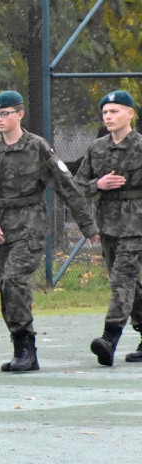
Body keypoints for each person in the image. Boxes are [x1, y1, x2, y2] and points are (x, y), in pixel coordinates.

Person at [0, 91, 98, 372]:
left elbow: (67, 186)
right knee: (6, 288)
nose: (0, 119)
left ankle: (27, 349)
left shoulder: (37, 147)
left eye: (5, 113)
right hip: (1, 227)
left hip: (29, 225)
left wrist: (87, 225)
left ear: (20, 114)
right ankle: (20, 347)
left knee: (14, 280)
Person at [74, 90, 142, 366]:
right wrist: (97, 185)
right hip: (108, 225)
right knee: (131, 285)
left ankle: (109, 338)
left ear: (130, 113)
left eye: (114, 111)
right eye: (105, 113)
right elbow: (77, 186)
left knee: (121, 281)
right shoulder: (97, 148)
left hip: (136, 225)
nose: (108, 117)